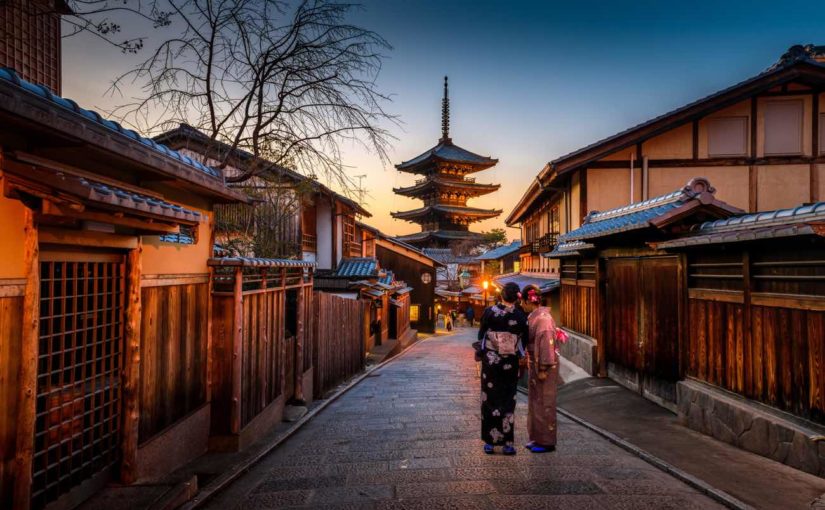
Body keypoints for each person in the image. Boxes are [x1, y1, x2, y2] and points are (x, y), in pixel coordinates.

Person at [475, 282, 528, 455]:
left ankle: (490, 442)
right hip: (509, 363)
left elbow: (482, 335)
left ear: (502, 295)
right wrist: (516, 352)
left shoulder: (489, 312)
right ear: (516, 297)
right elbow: (523, 340)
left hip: (491, 363)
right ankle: (508, 443)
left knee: (489, 399)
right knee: (507, 400)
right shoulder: (520, 316)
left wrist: (483, 351)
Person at [520, 284, 568, 453]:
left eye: (522, 301)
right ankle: (537, 437)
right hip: (535, 363)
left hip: (544, 366)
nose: (521, 305)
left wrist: (544, 368)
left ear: (528, 300)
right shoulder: (536, 316)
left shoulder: (543, 320)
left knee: (545, 402)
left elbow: (547, 345)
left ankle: (547, 441)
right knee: (535, 401)